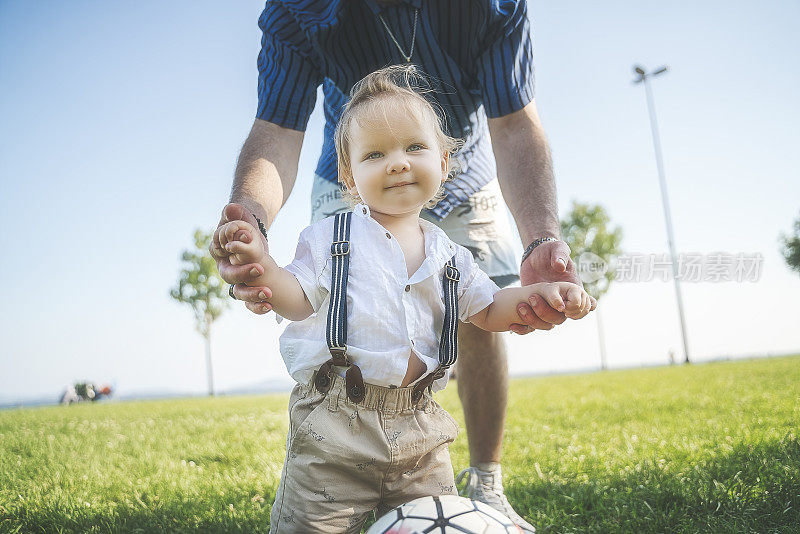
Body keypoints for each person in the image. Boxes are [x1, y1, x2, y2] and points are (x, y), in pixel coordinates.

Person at [210, 1, 597, 530]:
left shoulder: (450, 255)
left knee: (429, 518)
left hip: (420, 436)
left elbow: (488, 307)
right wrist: (258, 252)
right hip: (335, 433)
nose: (397, 160)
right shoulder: (332, 237)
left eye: (413, 148)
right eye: (377, 156)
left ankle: (485, 480)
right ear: (353, 173)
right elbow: (301, 295)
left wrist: (541, 288)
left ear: (441, 160)